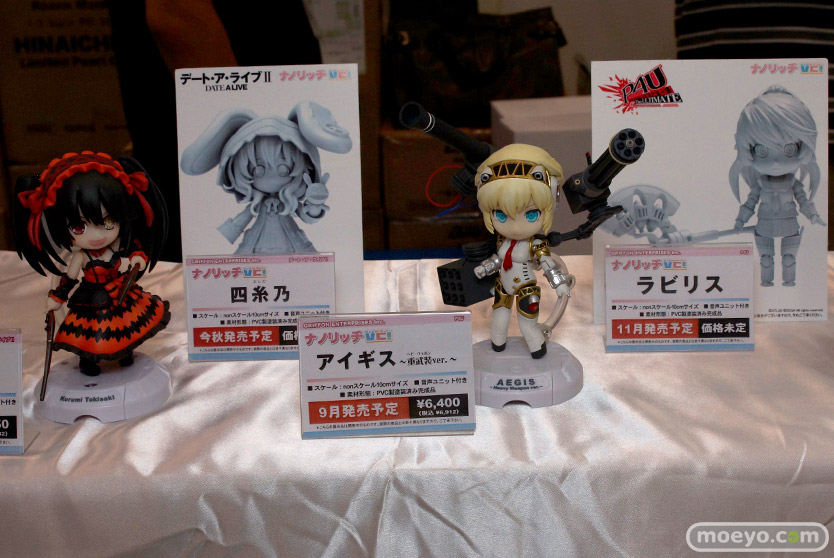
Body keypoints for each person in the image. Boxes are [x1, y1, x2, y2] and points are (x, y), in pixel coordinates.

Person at [14, 151, 170, 376]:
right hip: (92, 298)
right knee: (91, 332)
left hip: (120, 291)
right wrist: (57, 299)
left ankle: (124, 352)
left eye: (108, 222)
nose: (97, 235)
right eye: (79, 227)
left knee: (125, 325)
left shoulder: (114, 247)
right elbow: (69, 279)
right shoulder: (81, 257)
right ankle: (88, 360)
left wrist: (137, 257)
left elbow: (132, 252)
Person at [473, 144, 573, 358]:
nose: (516, 227)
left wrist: (559, 284)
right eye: (501, 215)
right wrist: (486, 267)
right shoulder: (502, 240)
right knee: (499, 320)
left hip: (526, 288)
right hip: (503, 285)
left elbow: (548, 264)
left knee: (527, 324)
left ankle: (537, 350)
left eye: (530, 214)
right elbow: (499, 259)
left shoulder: (534, 244)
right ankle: (497, 346)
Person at [730, 86, 825, 286]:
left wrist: (813, 215)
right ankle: (767, 285)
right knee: (766, 260)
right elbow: (750, 203)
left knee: (789, 259)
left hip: (789, 223)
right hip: (764, 223)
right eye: (762, 151)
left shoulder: (792, 182)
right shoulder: (760, 183)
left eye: (789, 150)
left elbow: (803, 201)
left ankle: (789, 285)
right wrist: (740, 220)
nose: (775, 162)